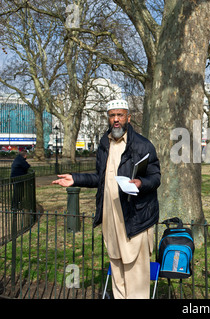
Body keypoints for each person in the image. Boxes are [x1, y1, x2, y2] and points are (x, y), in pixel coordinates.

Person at [52, 99, 161, 299]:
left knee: (135, 270)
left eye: (120, 115)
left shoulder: (143, 145)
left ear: (128, 117)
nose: (116, 120)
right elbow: (100, 179)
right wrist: (75, 179)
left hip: (134, 217)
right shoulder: (104, 144)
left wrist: (140, 183)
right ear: (108, 118)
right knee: (117, 267)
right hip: (110, 216)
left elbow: (155, 178)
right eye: (112, 115)